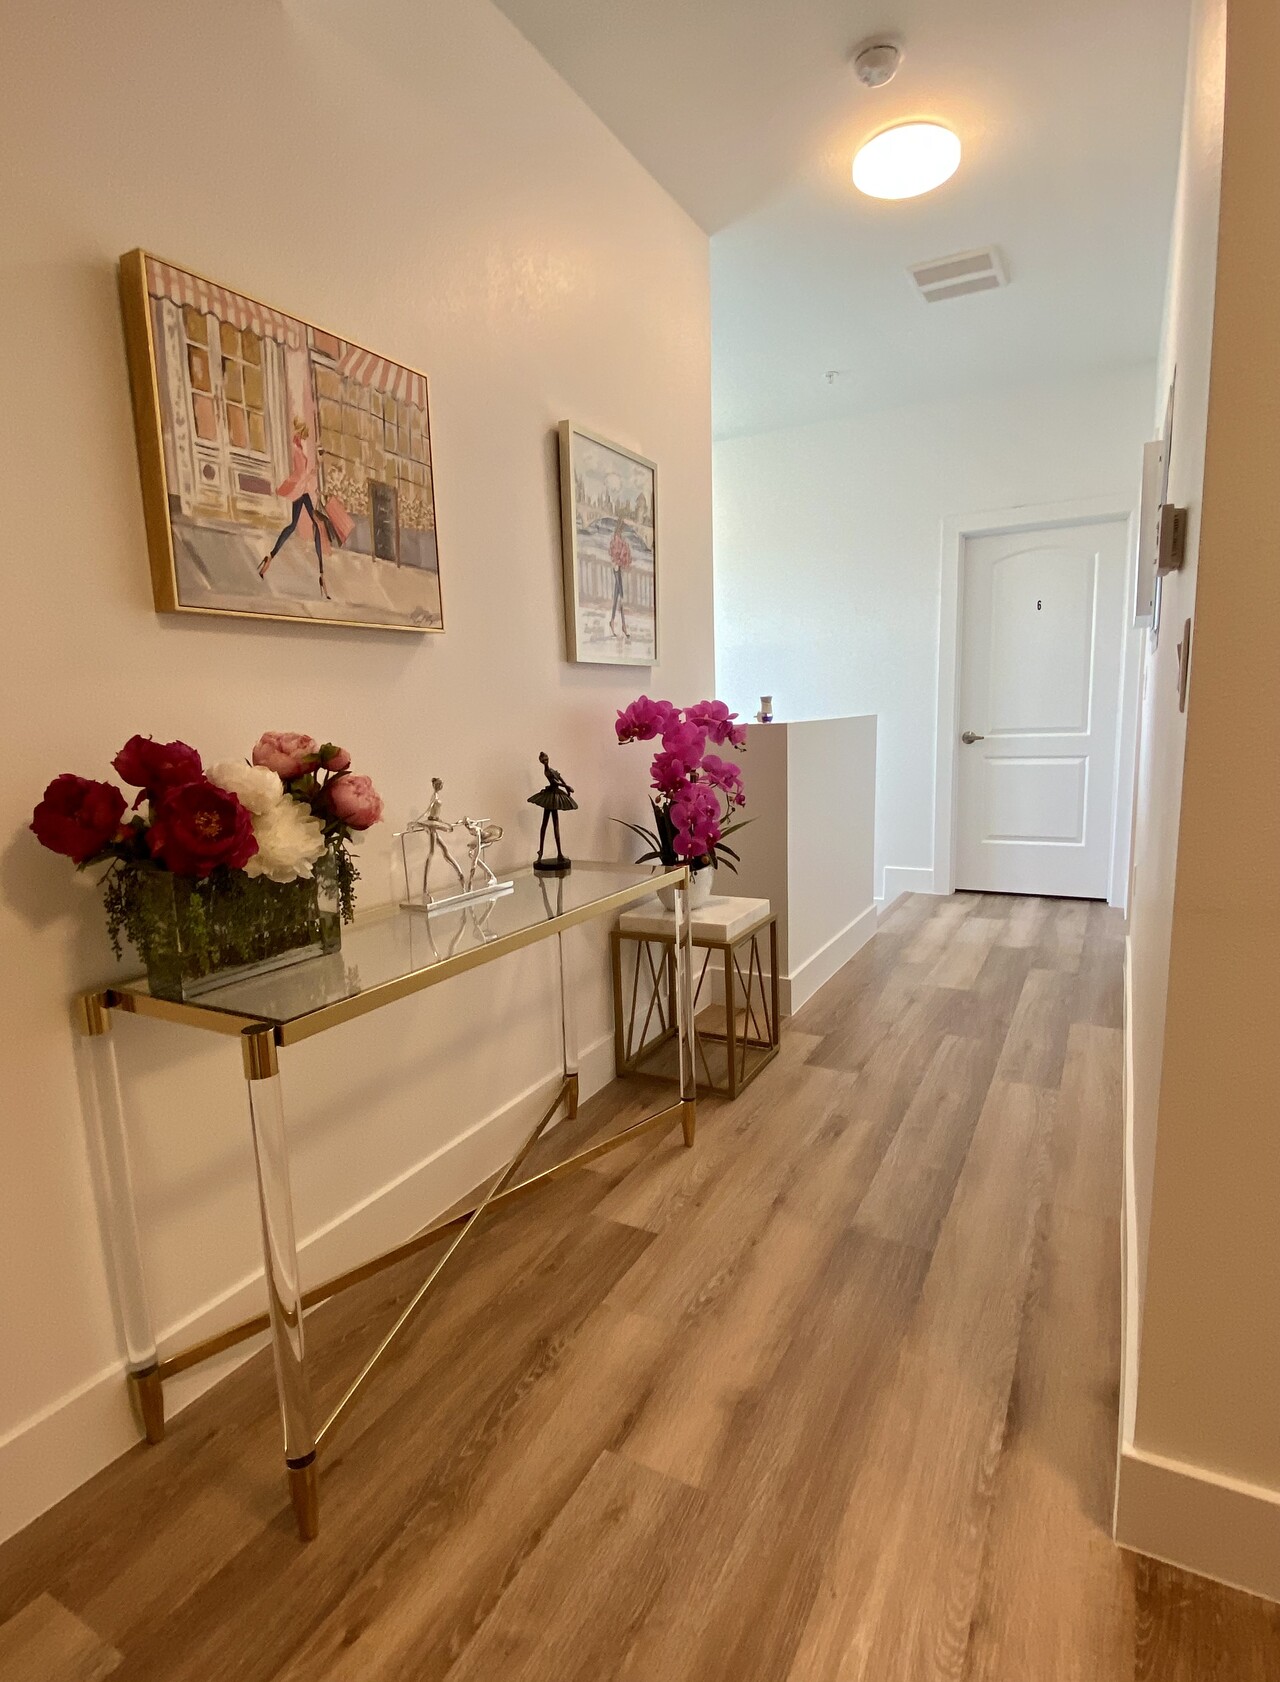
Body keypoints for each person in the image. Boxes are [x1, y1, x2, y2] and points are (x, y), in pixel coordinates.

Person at [258, 419, 334, 598]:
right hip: (301, 491)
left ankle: (270, 558)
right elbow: (301, 475)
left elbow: (302, 475)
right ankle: (321, 575)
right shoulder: (296, 450)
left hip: (302, 491)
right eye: (304, 432)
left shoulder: (297, 447)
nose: (306, 436)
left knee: (301, 525)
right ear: (300, 432)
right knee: (313, 525)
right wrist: (316, 467)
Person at [527, 752, 577, 871]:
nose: (546, 762)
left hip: (554, 796)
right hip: (551, 797)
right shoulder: (547, 772)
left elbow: (559, 779)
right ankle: (541, 852)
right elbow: (555, 783)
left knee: (555, 826)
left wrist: (567, 788)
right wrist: (567, 787)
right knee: (544, 825)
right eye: (543, 761)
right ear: (541, 762)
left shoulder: (552, 770)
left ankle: (559, 853)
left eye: (546, 759)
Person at [608, 517, 633, 641]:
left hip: (617, 567)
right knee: (620, 596)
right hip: (616, 568)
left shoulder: (617, 539)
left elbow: (617, 554)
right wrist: (618, 562)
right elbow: (614, 554)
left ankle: (614, 621)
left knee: (617, 595)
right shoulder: (616, 540)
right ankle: (622, 625)